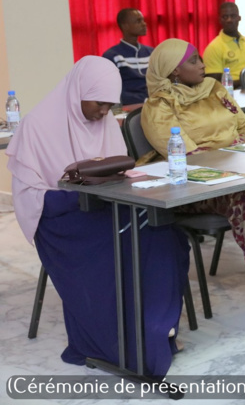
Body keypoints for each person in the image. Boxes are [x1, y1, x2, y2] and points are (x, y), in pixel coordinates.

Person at [7, 56, 189, 376]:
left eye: (110, 105)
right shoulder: (37, 125)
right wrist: (75, 195)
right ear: (78, 92)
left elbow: (118, 169)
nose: (104, 113)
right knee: (118, 249)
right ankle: (116, 345)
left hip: (103, 207)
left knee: (164, 236)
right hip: (60, 220)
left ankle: (156, 331)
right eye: (99, 104)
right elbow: (29, 197)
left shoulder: (103, 120)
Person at [142, 39, 245, 313]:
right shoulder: (159, 105)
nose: (203, 65)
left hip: (240, 171)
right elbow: (186, 156)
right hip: (196, 188)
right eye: (194, 61)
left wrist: (236, 148)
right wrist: (230, 153)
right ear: (174, 70)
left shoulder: (215, 90)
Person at [102, 8, 153, 105]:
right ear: (125, 26)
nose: (144, 24)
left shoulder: (152, 52)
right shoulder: (112, 55)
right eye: (138, 21)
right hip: (129, 107)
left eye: (143, 20)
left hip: (155, 104)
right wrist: (144, 100)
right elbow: (112, 90)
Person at [202, 2, 245, 77]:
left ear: (239, 18)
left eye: (233, 16)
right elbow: (214, 80)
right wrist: (244, 82)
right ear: (219, 20)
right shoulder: (213, 48)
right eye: (225, 17)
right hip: (231, 88)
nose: (229, 20)